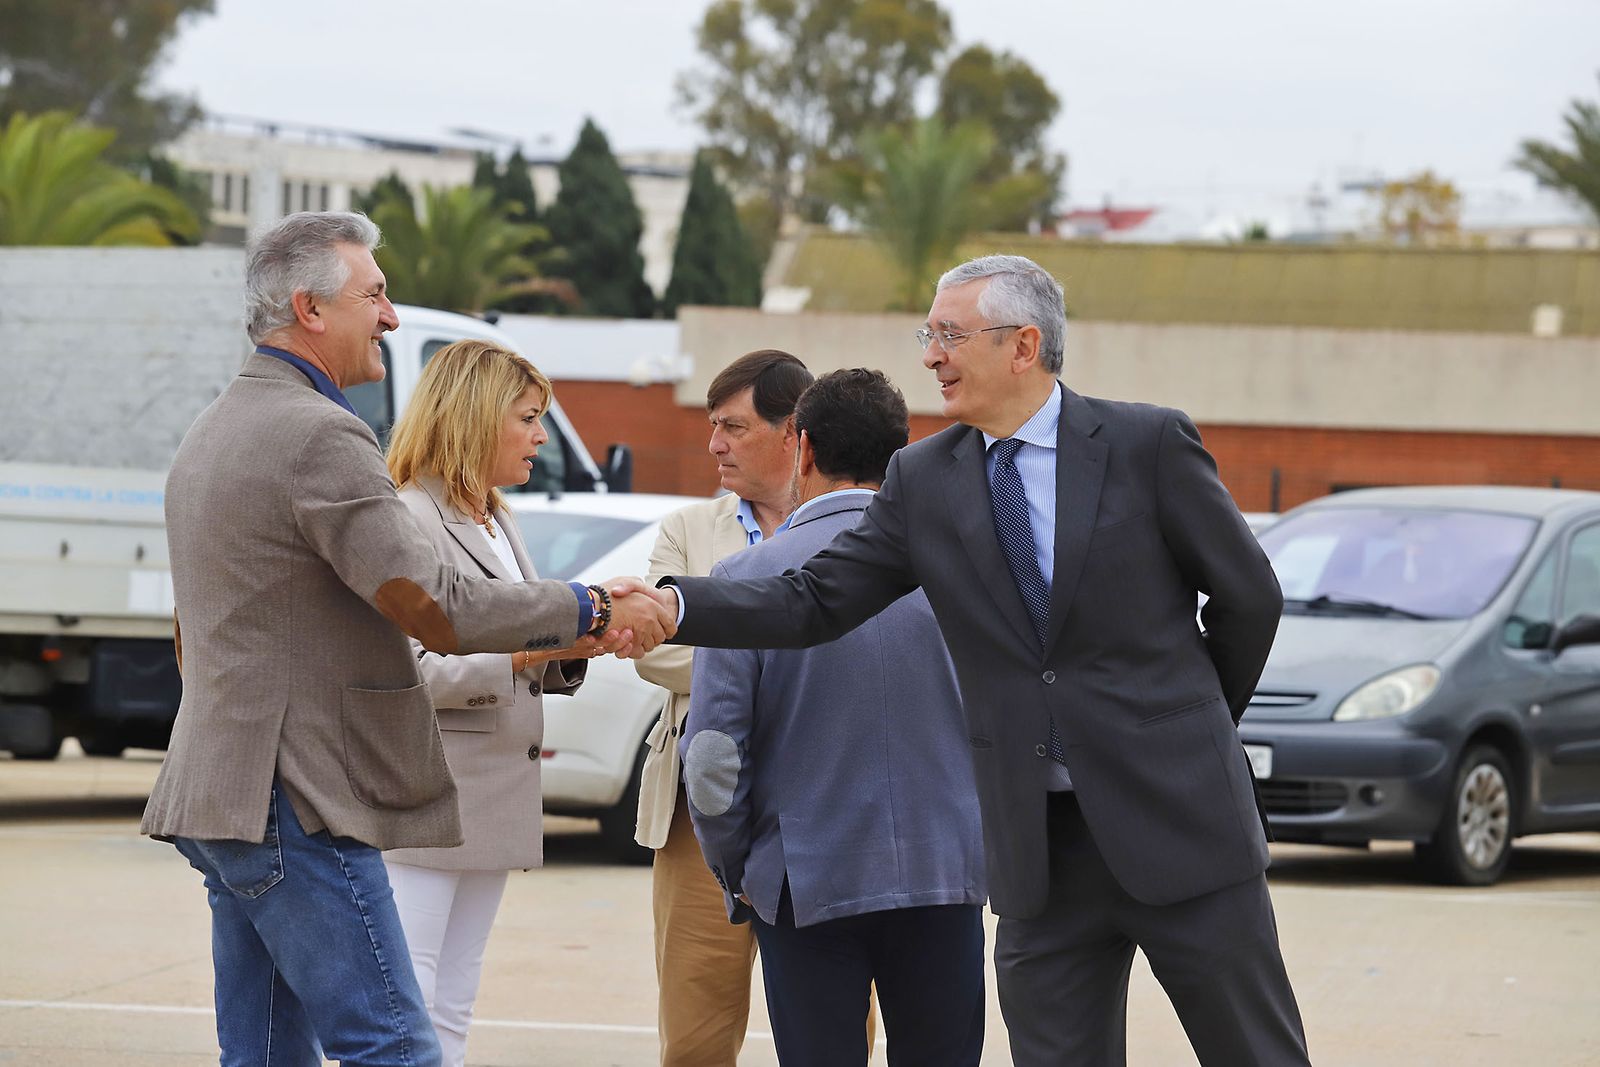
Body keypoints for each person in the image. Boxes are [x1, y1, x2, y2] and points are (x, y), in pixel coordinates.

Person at [640, 254, 1312, 1066]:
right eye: (930, 334)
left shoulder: (1147, 442)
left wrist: (1184, 732)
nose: (930, 355)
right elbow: (815, 598)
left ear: (1023, 345)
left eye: (950, 335)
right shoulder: (925, 478)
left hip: (1180, 820)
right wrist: (676, 605)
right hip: (1037, 852)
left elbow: (1250, 599)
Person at [140, 211, 671, 1067]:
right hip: (298, 797)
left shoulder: (215, 429)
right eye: (376, 294)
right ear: (311, 309)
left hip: (226, 791)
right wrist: (591, 608)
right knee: (394, 1043)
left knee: (268, 1051)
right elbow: (439, 606)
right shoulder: (320, 433)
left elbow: (190, 631)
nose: (391, 316)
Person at [682, 368, 987, 1066]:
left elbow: (711, 762)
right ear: (901, 452)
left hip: (803, 880)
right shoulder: (962, 571)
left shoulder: (746, 581)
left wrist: (739, 869)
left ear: (804, 447)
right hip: (944, 871)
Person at [381, 339, 600, 1066]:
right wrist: (526, 653)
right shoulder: (409, 516)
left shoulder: (497, 520)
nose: (542, 436)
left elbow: (517, 640)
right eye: (529, 417)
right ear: (476, 417)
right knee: (407, 999)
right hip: (430, 799)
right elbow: (403, 669)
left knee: (453, 996)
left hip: (494, 797)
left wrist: (572, 650)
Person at [632, 349, 814, 1066]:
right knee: (697, 1032)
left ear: (792, 430)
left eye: (732, 427)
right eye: (712, 426)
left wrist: (720, 642)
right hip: (696, 817)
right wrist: (786, 653)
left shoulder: (855, 529)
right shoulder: (687, 530)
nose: (713, 444)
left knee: (832, 1028)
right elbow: (650, 648)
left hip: (819, 812)